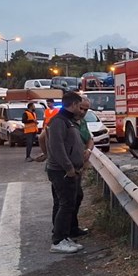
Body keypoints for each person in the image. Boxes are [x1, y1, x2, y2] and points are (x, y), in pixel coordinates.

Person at [45, 91, 89, 254]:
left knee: (69, 202)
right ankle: (58, 241)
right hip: (62, 171)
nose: (81, 110)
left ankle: (64, 235)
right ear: (74, 105)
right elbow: (57, 147)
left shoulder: (68, 121)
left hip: (69, 170)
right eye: (80, 106)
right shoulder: (59, 122)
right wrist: (69, 167)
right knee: (65, 204)